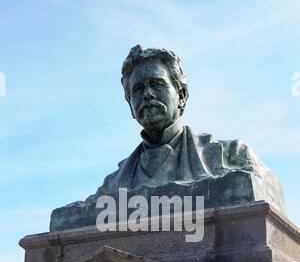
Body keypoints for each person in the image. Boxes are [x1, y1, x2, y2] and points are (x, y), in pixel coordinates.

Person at [50, 45, 286, 231]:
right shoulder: (112, 184)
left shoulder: (232, 155)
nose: (148, 94)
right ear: (131, 105)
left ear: (181, 95)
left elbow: (261, 187)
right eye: (138, 89)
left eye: (158, 84)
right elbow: (69, 218)